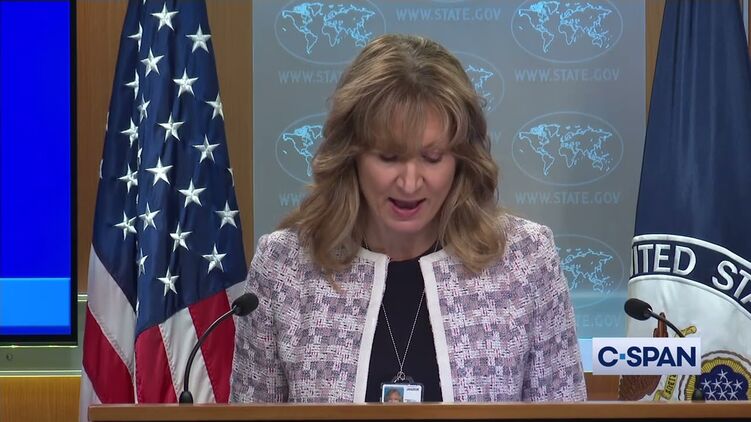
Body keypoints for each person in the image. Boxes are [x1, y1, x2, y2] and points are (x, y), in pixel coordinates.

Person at [230, 33, 586, 403]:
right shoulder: (286, 266)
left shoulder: (525, 259)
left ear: (461, 159)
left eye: (432, 158)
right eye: (389, 157)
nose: (411, 182)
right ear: (351, 155)